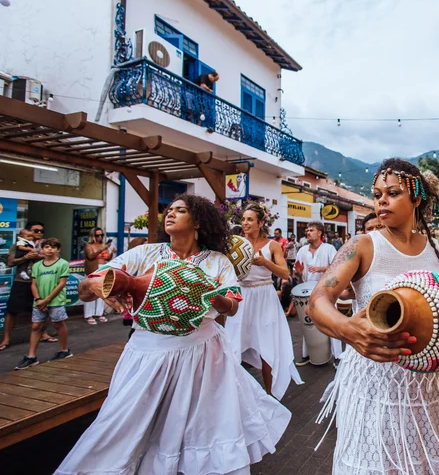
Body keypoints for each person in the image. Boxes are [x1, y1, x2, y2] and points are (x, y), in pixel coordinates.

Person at [56, 195, 290, 474]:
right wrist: (95, 286)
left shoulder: (217, 262)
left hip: (202, 353)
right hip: (146, 351)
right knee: (122, 423)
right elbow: (87, 286)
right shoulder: (145, 254)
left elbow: (233, 307)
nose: (170, 214)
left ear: (198, 222)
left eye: (180, 210)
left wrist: (208, 296)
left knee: (198, 427)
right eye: (169, 210)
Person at [308, 159, 439, 474]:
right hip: (375, 386)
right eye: (377, 194)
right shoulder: (362, 245)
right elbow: (318, 299)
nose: (381, 201)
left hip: (437, 389)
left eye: (392, 193)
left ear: (416, 198)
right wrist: (347, 329)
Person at [224, 202, 302, 399]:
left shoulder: (272, 245)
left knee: (267, 346)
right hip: (241, 296)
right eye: (243, 219)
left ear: (261, 222)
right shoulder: (234, 244)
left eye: (250, 219)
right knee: (233, 345)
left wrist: (265, 262)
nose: (245, 223)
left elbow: (285, 273)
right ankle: (235, 397)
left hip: (265, 296)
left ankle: (270, 395)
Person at [15, 238, 72, 369]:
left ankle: (64, 350)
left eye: (53, 247)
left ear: (58, 250)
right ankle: (31, 356)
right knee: (36, 326)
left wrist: (47, 300)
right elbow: (34, 284)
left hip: (55, 300)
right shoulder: (37, 265)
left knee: (58, 324)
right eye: (46, 247)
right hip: (39, 302)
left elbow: (61, 283)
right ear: (42, 249)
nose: (49, 249)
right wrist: (38, 299)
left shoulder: (62, 264)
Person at [1, 222, 57, 352]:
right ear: (28, 231)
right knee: (12, 310)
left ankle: (43, 334)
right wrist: (26, 257)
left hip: (40, 282)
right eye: (35, 231)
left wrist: (39, 256)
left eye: (41, 231)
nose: (38, 234)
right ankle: (6, 339)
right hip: (22, 282)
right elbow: (10, 262)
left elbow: (55, 259)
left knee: (42, 308)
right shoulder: (19, 245)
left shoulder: (46, 246)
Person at [293, 221, 338, 367]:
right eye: (306, 230)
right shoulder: (302, 251)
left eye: (311, 230)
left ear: (319, 233)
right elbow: (298, 276)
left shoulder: (329, 248)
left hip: (327, 291)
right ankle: (307, 354)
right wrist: (298, 273)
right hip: (308, 292)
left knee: (332, 323)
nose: (307, 232)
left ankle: (337, 356)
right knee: (308, 323)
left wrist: (321, 269)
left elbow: (337, 268)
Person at [83, 227, 117, 325]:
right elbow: (90, 256)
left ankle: (99, 313)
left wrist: (111, 252)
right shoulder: (88, 246)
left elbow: (107, 258)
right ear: (93, 236)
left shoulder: (103, 245)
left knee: (101, 291)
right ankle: (89, 314)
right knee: (91, 291)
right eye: (97, 235)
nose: (100, 237)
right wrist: (102, 249)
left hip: (103, 267)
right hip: (93, 268)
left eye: (101, 235)